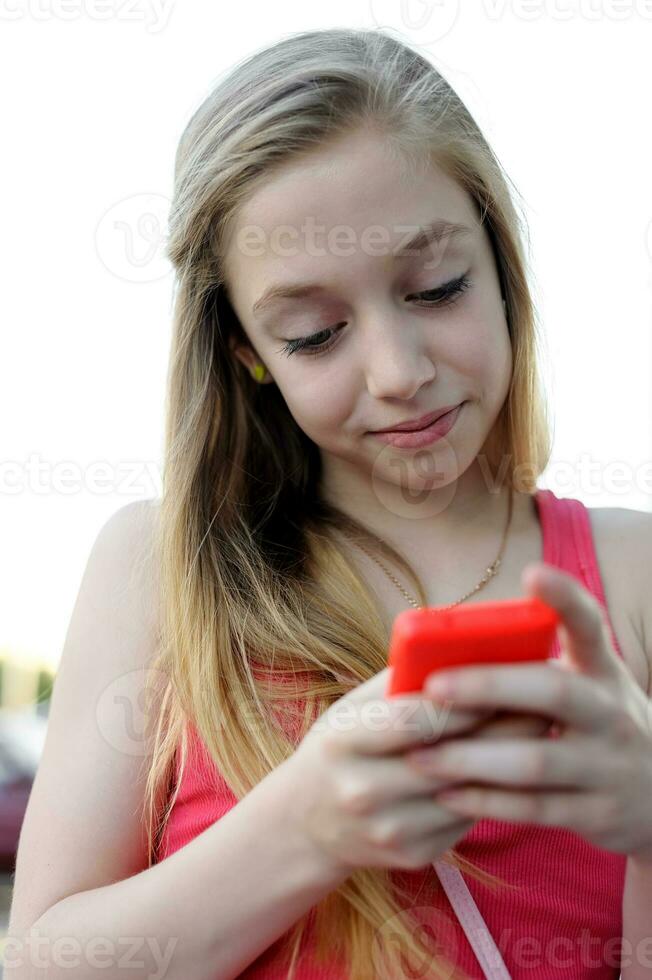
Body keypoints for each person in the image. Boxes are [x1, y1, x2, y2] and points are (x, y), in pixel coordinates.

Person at [7, 26, 652, 980]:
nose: (399, 373)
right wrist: (307, 824)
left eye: (437, 287)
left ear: (502, 263)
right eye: (315, 334)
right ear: (246, 352)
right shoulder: (160, 569)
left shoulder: (630, 571)